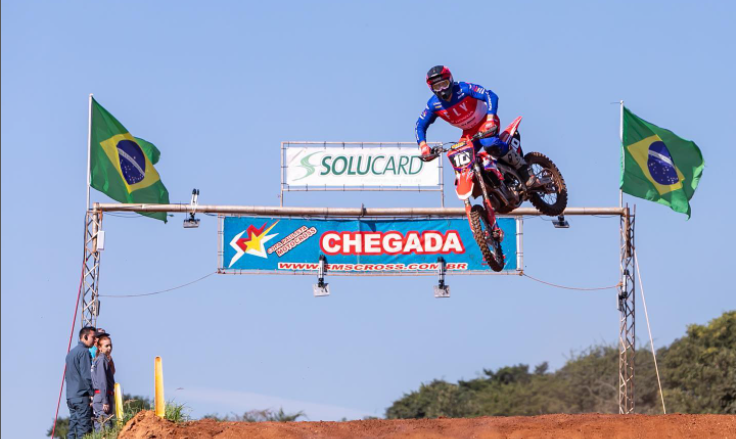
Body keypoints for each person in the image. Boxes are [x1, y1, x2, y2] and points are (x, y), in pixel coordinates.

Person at [415, 65, 537, 189]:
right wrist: (423, 146)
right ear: (432, 88)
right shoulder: (433, 104)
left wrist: (490, 119)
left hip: (486, 122)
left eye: (444, 84)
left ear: (450, 81)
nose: (442, 90)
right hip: (469, 133)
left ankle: (525, 170)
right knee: (461, 160)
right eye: (437, 86)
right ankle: (492, 187)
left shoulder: (463, 88)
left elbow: (490, 95)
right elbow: (420, 125)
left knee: (489, 143)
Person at [65, 326, 96, 439]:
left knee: (73, 429)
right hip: (81, 396)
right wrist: (92, 393)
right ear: (85, 336)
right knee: (84, 429)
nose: (95, 340)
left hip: (71, 396)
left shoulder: (71, 353)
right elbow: (86, 375)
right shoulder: (84, 352)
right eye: (93, 337)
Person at [91, 332, 116, 431]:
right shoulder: (102, 360)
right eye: (106, 346)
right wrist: (105, 401)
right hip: (102, 397)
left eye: (110, 345)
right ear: (100, 347)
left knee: (101, 427)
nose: (109, 348)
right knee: (104, 428)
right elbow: (102, 381)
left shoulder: (98, 360)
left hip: (99, 397)